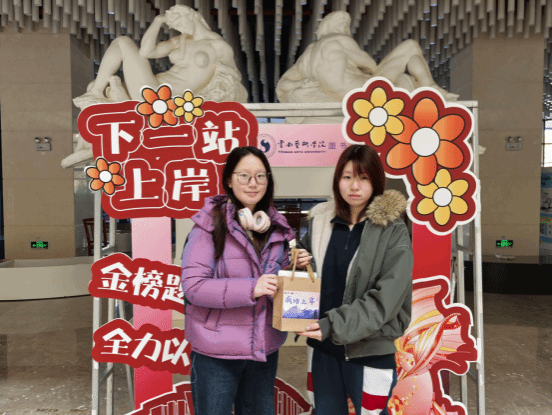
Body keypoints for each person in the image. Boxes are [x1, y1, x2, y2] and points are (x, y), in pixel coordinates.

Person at [294, 144, 413, 414]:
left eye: (363, 178)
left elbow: (385, 300)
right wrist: (299, 261)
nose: (354, 186)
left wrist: (332, 325)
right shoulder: (320, 221)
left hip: (370, 350)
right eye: (347, 177)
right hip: (322, 348)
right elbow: (303, 269)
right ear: (338, 180)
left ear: (376, 181)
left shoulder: (392, 230)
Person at [180, 146, 295, 415]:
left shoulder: (276, 228)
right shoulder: (208, 226)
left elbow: (275, 280)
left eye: (260, 176)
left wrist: (293, 267)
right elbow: (194, 287)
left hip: (263, 348)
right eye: (244, 175)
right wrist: (252, 288)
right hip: (216, 353)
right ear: (229, 180)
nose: (253, 183)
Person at [74, 5, 247, 107]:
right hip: (153, 86)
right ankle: (104, 98)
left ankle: (107, 96)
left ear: (192, 16)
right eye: (174, 25)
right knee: (93, 85)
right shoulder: (181, 40)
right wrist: (157, 22)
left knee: (123, 42)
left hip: (164, 97)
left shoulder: (219, 46)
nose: (178, 27)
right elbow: (146, 52)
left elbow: (234, 81)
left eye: (179, 21)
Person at [276, 11, 458, 105]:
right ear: (338, 26)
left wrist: (302, 83)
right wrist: (361, 69)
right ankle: (431, 87)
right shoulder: (339, 39)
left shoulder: (309, 53)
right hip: (361, 91)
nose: (346, 28)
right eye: (344, 24)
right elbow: (370, 64)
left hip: (336, 94)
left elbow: (282, 84)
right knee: (410, 46)